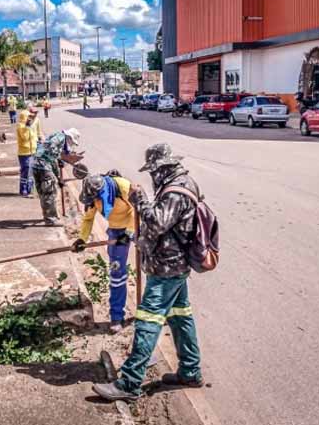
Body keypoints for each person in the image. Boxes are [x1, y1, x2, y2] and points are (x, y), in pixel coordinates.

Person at [93, 143, 203, 402]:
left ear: (162, 169)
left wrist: (140, 200)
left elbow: (156, 223)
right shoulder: (178, 186)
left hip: (167, 268)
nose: (152, 177)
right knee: (179, 316)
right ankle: (190, 370)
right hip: (173, 266)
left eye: (153, 172)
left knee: (147, 321)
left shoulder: (177, 191)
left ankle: (130, 383)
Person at [73, 173, 135, 333]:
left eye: (97, 199)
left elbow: (138, 210)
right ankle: (117, 316)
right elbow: (88, 219)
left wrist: (128, 233)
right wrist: (82, 239)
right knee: (117, 272)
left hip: (135, 226)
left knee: (154, 267)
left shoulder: (123, 186)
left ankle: (163, 309)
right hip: (115, 231)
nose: (96, 203)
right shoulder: (92, 198)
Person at [32, 128, 82, 226]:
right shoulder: (60, 138)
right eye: (72, 142)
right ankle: (51, 219)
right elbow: (50, 151)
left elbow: (52, 161)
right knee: (50, 193)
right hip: (43, 166)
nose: (71, 144)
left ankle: (48, 216)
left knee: (44, 193)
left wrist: (59, 178)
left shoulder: (57, 137)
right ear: (69, 138)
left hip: (37, 165)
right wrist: (57, 157)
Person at [16, 106, 39, 197]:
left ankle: (30, 189)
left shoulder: (30, 125)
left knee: (32, 172)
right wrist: (27, 126)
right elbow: (25, 138)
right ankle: (23, 190)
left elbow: (34, 136)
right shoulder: (21, 126)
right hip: (24, 153)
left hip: (32, 151)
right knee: (25, 171)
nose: (30, 118)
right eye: (28, 116)